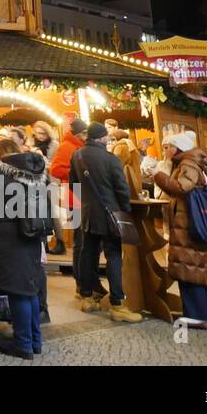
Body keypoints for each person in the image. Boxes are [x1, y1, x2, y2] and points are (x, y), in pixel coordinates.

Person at [0, 137, 49, 358]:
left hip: (8, 241)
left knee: (19, 293)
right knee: (30, 290)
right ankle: (35, 341)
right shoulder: (34, 176)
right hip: (32, 239)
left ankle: (23, 345)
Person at [69, 122, 144, 322]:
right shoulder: (111, 159)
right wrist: (125, 211)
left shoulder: (77, 156)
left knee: (88, 254)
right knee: (113, 256)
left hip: (87, 213)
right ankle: (118, 305)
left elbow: (73, 184)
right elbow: (122, 189)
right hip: (109, 214)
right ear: (102, 138)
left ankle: (86, 297)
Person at [153, 130, 207, 328]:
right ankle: (199, 312)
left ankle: (198, 315)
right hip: (186, 222)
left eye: (169, 146)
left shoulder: (187, 164)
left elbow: (182, 187)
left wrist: (159, 176)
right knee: (190, 265)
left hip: (187, 223)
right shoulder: (186, 163)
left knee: (190, 266)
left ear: (178, 148)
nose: (167, 150)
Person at [49, 118, 88, 261]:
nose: (86, 135)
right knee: (80, 237)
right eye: (84, 133)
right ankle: (80, 273)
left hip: (82, 194)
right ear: (77, 134)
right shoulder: (66, 146)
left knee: (84, 236)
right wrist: (76, 172)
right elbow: (55, 170)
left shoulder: (81, 145)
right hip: (74, 194)